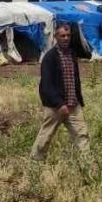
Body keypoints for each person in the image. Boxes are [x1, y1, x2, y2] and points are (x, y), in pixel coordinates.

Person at [30, 23, 90, 161]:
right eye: (62, 35)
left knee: (82, 134)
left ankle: (87, 165)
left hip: (73, 105)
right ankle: (35, 163)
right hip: (55, 107)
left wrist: (78, 100)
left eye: (68, 35)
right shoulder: (50, 58)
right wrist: (59, 104)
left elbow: (75, 78)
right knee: (46, 136)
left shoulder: (72, 54)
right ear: (56, 36)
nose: (66, 38)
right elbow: (46, 85)